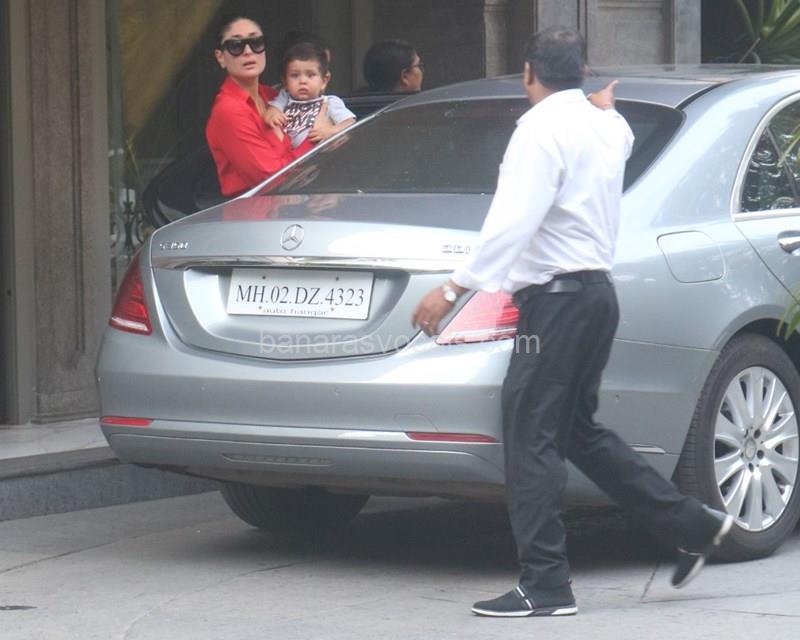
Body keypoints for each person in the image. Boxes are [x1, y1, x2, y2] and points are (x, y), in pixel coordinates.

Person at [411, 26, 734, 618]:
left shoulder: (538, 131)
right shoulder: (605, 125)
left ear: (528, 74)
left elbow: (513, 220)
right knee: (575, 431)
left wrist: (454, 288)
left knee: (529, 435)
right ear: (582, 74)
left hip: (555, 304)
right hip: (596, 297)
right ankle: (692, 524)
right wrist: (603, 107)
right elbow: (619, 133)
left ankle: (546, 584)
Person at [205, 16, 315, 197]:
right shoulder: (228, 110)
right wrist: (316, 137)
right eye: (236, 46)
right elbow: (271, 181)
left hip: (298, 204)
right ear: (220, 57)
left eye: (256, 42)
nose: (248, 51)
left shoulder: (274, 96)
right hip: (256, 212)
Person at [264, 42, 356, 148]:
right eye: (295, 75)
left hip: (319, 154)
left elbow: (350, 123)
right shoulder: (284, 97)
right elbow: (271, 112)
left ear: (324, 80)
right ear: (285, 81)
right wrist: (273, 114)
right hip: (289, 154)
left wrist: (330, 131)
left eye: (311, 75)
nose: (303, 81)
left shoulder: (329, 102)